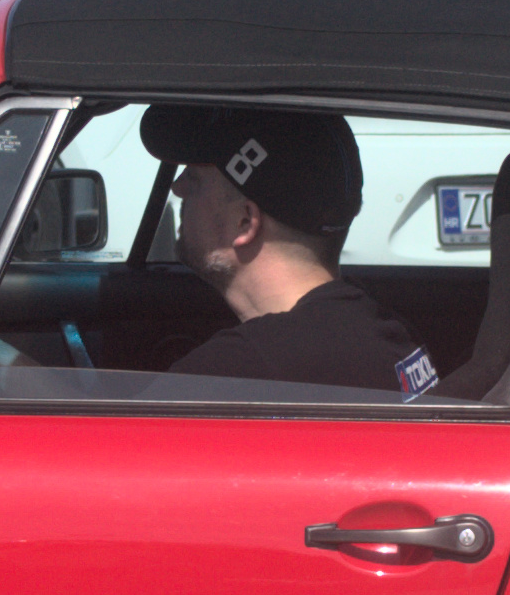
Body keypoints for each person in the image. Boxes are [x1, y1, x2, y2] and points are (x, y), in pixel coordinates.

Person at [148, 104, 439, 396]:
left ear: (245, 222)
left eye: (195, 180)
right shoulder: (386, 331)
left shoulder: (234, 373)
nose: (177, 186)